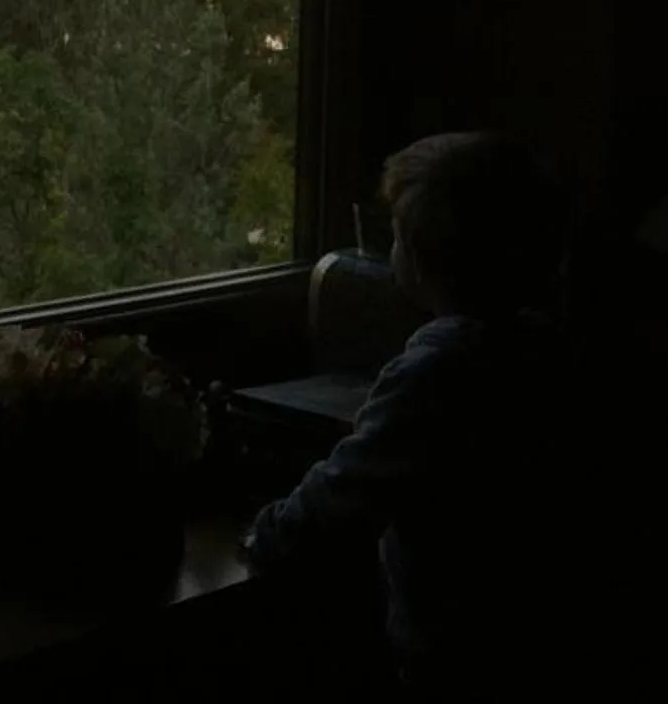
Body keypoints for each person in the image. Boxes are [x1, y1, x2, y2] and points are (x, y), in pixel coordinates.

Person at [245, 132, 588, 696]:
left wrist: (267, 532)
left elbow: (340, 495)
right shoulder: (548, 348)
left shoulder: (437, 372)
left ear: (423, 258)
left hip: (452, 660)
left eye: (398, 235)